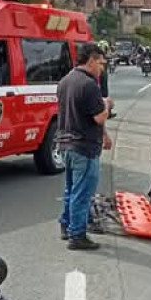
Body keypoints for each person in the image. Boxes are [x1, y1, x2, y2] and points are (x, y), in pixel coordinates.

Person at [57, 43, 113, 250]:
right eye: (101, 63)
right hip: (85, 147)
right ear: (90, 60)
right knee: (83, 193)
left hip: (67, 144)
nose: (102, 68)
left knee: (71, 189)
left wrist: (105, 135)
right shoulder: (89, 85)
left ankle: (66, 224)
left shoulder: (65, 81)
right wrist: (107, 104)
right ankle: (77, 235)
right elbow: (99, 117)